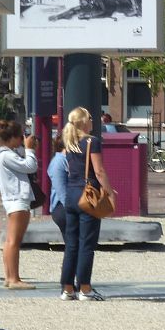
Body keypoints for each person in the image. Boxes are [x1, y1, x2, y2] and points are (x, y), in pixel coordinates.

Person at [60, 107, 115, 302]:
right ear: (84, 121)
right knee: (87, 243)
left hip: (71, 194)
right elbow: (99, 171)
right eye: (91, 117)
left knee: (71, 243)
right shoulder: (92, 141)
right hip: (88, 193)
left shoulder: (70, 142)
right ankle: (85, 287)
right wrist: (109, 191)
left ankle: (68, 288)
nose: (93, 120)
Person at [0, 120, 38, 290]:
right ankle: (14, 279)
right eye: (20, 136)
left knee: (11, 240)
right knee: (14, 240)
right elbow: (30, 166)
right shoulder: (7, 155)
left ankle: (10, 276)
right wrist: (30, 149)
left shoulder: (4, 154)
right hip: (17, 199)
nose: (22, 139)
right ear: (12, 137)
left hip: (14, 199)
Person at [47, 135, 68, 240]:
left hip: (65, 206)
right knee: (72, 244)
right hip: (62, 207)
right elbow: (61, 189)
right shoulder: (59, 161)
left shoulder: (65, 160)